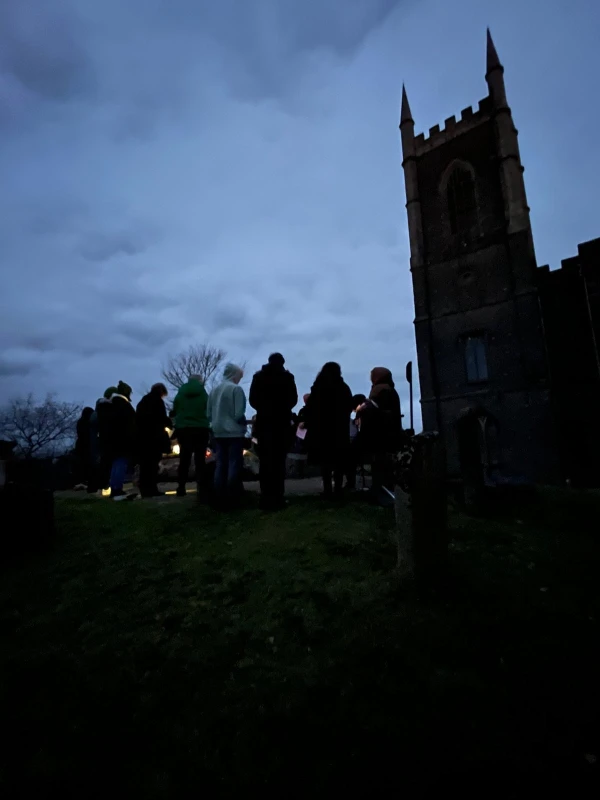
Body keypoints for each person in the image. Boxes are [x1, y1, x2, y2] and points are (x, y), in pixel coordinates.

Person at [249, 353, 298, 511]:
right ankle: (278, 496)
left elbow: (252, 399)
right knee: (279, 462)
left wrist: (263, 409)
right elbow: (293, 399)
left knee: (265, 461)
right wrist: (283, 409)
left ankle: (265, 496)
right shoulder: (287, 378)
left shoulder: (258, 377)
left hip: (264, 423)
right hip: (282, 424)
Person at [304, 362, 353, 498]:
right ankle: (338, 488)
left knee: (325, 462)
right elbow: (348, 406)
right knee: (338, 461)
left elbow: (311, 407)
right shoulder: (343, 388)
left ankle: (327, 489)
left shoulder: (318, 387)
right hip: (338, 429)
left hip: (321, 429)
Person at [208, 363, 247, 509]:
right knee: (234, 464)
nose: (239, 380)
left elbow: (208, 413)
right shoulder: (236, 389)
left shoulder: (214, 390)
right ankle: (233, 496)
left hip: (218, 431)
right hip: (234, 432)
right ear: (235, 375)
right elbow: (238, 413)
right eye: (239, 377)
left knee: (220, 464)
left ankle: (219, 496)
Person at [366, 367, 403, 500]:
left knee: (380, 465)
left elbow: (372, 408)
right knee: (386, 465)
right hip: (390, 434)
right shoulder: (389, 389)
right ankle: (385, 491)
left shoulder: (380, 389)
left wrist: (363, 408)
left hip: (381, 434)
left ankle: (382, 493)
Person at [172, 374, 210, 499]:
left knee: (184, 459)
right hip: (200, 428)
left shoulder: (180, 393)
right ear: (200, 381)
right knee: (200, 460)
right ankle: (202, 488)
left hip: (184, 429)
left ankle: (181, 487)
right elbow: (208, 408)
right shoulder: (203, 393)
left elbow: (175, 409)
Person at [136, 383, 170, 498]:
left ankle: (144, 490)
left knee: (145, 465)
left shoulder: (143, 402)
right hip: (155, 438)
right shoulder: (158, 402)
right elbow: (162, 418)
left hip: (143, 438)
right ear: (162, 392)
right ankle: (152, 489)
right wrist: (170, 423)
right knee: (153, 465)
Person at [106, 380, 137, 501]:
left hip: (114, 441)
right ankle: (117, 491)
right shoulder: (124, 406)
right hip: (123, 441)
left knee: (116, 465)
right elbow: (130, 425)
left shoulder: (112, 405)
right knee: (120, 464)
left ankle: (115, 488)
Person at [90, 387, 117, 493]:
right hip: (103, 442)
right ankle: (103, 485)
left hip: (99, 441)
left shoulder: (98, 410)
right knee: (105, 463)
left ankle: (101, 484)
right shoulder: (105, 409)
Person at [74, 407, 94, 489]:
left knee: (82, 464)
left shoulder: (80, 422)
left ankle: (82, 481)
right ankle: (86, 480)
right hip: (86, 446)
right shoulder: (87, 423)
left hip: (80, 446)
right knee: (86, 464)